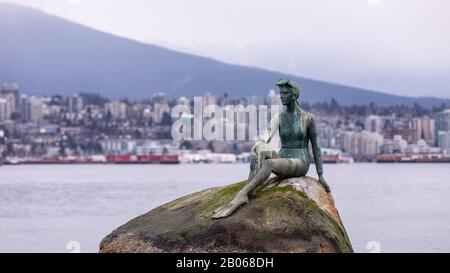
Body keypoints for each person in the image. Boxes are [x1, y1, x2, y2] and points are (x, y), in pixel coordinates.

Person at [212, 78, 331, 219]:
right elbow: (266, 135)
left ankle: (242, 194)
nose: (281, 95)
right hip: (283, 157)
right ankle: (249, 190)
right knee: (260, 149)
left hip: (300, 161)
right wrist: (257, 148)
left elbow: (316, 145)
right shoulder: (279, 117)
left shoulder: (308, 118)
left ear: (294, 95)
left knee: (268, 163)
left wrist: (320, 174)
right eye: (280, 92)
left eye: (285, 93)